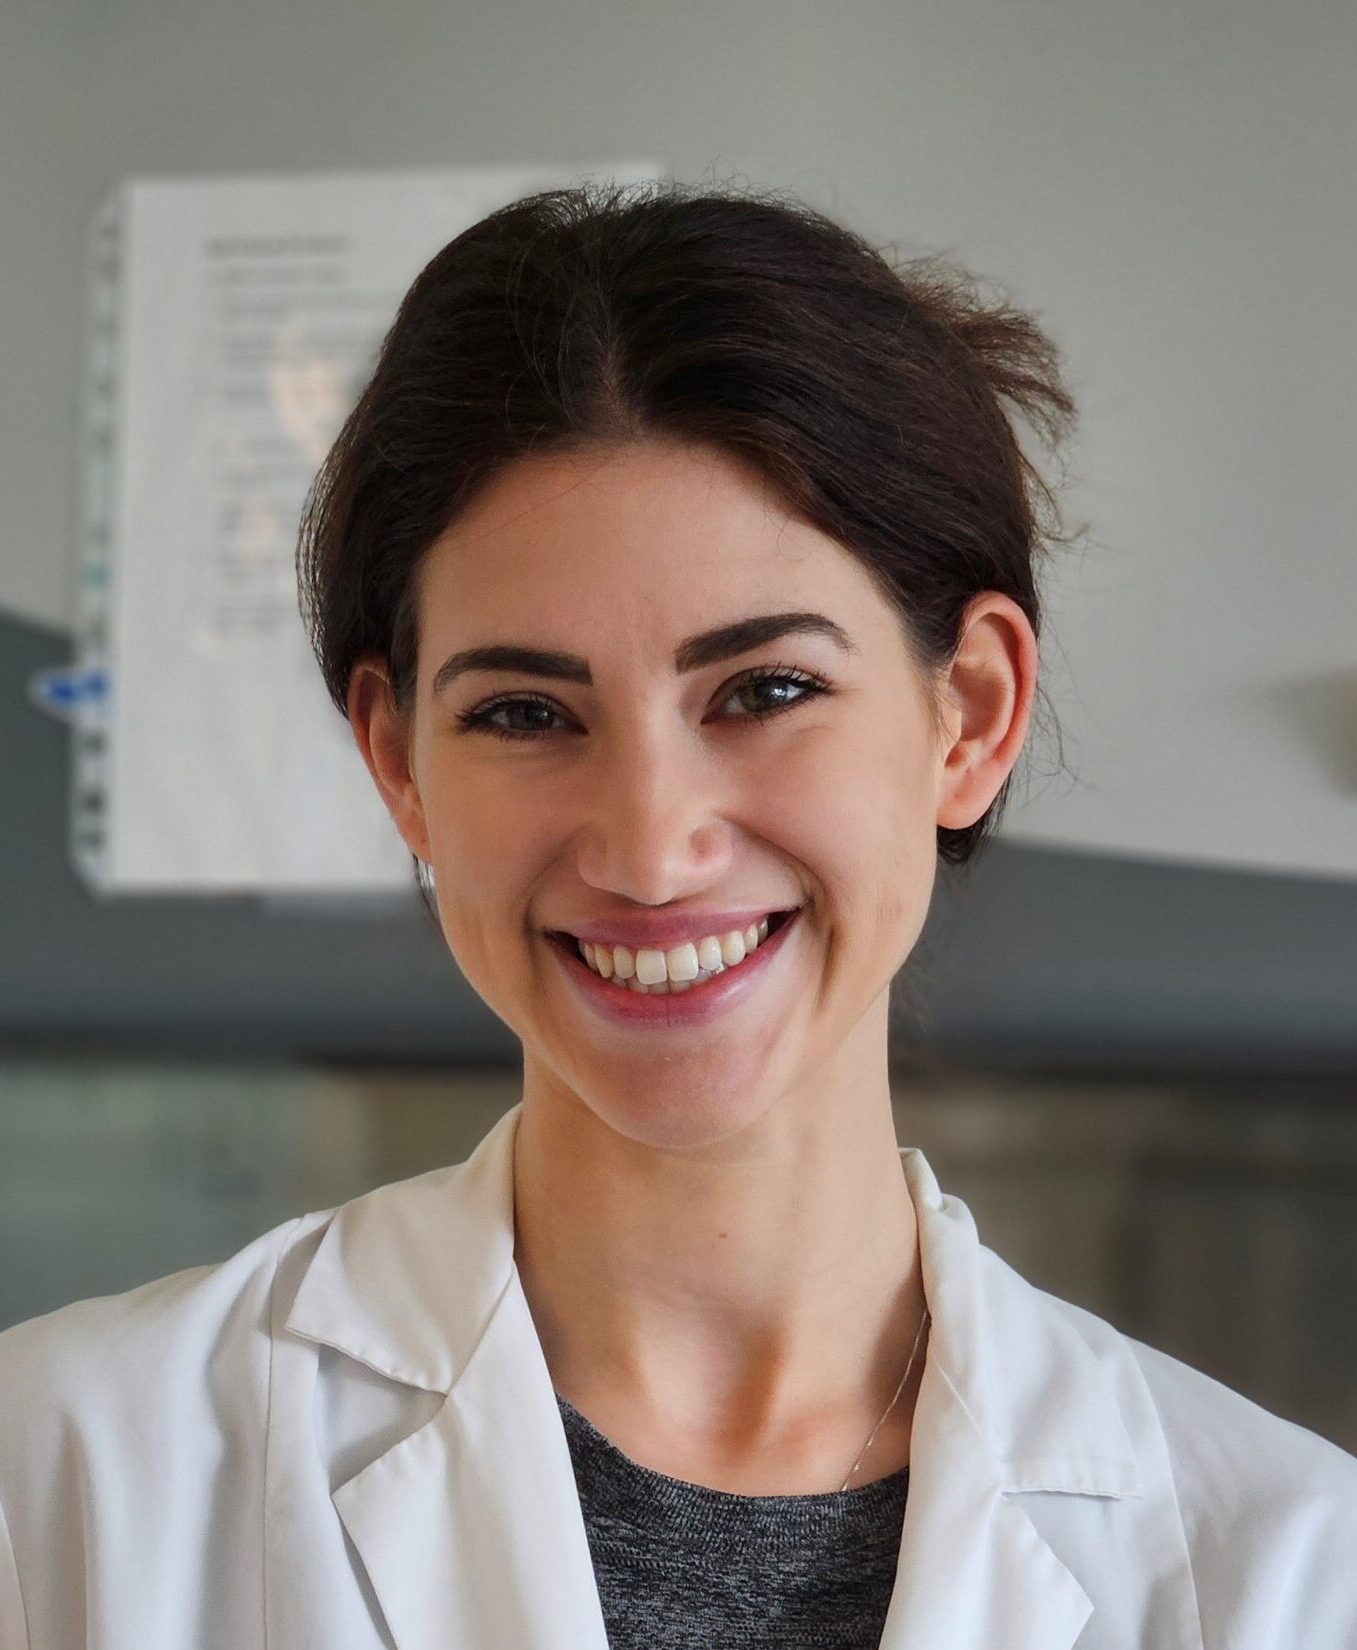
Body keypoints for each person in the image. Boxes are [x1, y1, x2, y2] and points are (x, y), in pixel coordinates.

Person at [1, 178, 1354, 1650]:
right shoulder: (68, 1479)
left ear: (966, 712)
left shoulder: (1286, 1572)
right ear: (398, 761)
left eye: (764, 691)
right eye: (525, 710)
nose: (649, 847)